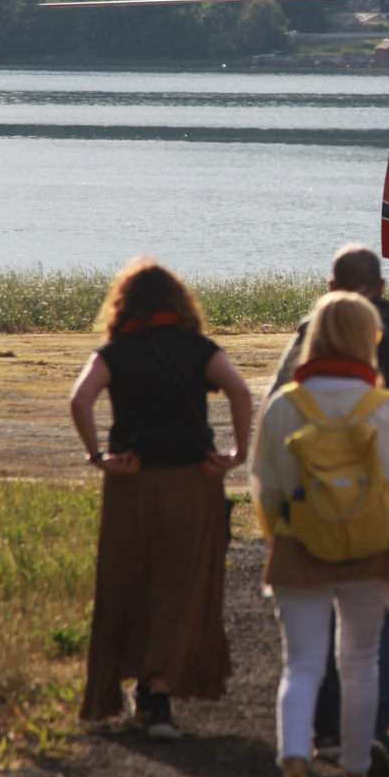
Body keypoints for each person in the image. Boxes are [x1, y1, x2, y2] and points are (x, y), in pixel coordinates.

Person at [252, 292, 389, 777]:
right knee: (360, 664)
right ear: (367, 340)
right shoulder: (384, 409)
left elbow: (264, 489)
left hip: (299, 548)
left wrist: (282, 539)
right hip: (370, 550)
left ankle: (294, 773)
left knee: (302, 665)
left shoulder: (284, 405)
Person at [72, 257, 253, 739]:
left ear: (124, 305)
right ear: (179, 303)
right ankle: (159, 695)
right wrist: (238, 453)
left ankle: (140, 689)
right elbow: (239, 391)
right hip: (194, 479)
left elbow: (80, 399)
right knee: (184, 585)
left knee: (130, 582)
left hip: (131, 482)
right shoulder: (199, 349)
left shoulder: (115, 352)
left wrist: (97, 456)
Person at [268, 243, 389, 777]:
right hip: (374, 520)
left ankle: (317, 742)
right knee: (370, 646)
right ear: (380, 289)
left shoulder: (302, 337)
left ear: (331, 285)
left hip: (304, 522)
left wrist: (280, 531)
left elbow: (270, 451)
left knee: (304, 661)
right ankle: (372, 742)